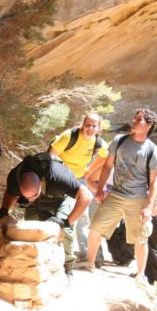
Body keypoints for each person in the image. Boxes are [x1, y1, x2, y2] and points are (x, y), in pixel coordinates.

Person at [77, 109, 157, 286]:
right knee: (95, 227)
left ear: (149, 125)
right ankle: (90, 262)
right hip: (116, 194)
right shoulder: (120, 140)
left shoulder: (152, 150)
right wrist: (100, 189)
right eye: (135, 117)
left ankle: (140, 274)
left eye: (139, 119)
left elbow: (155, 180)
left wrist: (150, 205)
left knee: (140, 238)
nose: (134, 121)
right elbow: (108, 166)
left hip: (138, 198)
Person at [0, 152, 93, 274]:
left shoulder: (58, 177)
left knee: (64, 230)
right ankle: (39, 262)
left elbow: (86, 197)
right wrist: (4, 210)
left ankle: (67, 267)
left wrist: (66, 221)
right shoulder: (14, 177)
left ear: (40, 183)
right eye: (26, 197)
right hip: (40, 199)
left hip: (63, 197)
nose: (29, 200)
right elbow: (11, 193)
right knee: (32, 229)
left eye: (32, 196)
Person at [49, 112, 109, 262]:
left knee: (83, 216)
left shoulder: (98, 142)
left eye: (93, 126)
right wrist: (57, 175)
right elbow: (51, 156)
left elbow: (107, 156)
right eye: (87, 124)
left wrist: (90, 170)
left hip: (79, 179)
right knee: (59, 212)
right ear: (83, 124)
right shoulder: (69, 136)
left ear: (98, 128)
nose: (90, 128)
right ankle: (56, 251)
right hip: (61, 178)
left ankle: (89, 255)